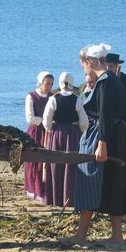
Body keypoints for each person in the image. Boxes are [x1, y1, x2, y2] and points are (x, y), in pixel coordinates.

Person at [64, 44, 126, 244]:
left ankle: (82, 234)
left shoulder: (105, 83)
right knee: (114, 183)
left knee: (89, 180)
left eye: (83, 66)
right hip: (117, 135)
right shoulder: (113, 80)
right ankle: (116, 235)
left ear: (90, 62)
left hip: (104, 136)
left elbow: (104, 114)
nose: (84, 70)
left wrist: (102, 142)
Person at [41, 72, 87, 207]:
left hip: (57, 134)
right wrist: (79, 131)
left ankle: (56, 199)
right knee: (71, 165)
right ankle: (70, 198)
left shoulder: (53, 99)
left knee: (56, 165)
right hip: (73, 134)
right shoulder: (77, 99)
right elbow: (84, 123)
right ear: (72, 83)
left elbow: (46, 121)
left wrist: (51, 130)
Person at [24, 71, 54, 202]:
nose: (49, 86)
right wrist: (44, 120)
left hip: (48, 131)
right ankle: (35, 191)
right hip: (36, 132)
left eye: (51, 84)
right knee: (34, 162)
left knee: (47, 162)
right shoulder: (31, 97)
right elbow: (30, 118)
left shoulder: (52, 97)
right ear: (41, 82)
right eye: (47, 83)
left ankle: (47, 191)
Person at [105, 52, 126, 122]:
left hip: (122, 121)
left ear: (117, 66)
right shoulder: (102, 79)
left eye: (110, 66)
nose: (107, 69)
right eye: (106, 66)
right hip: (105, 120)